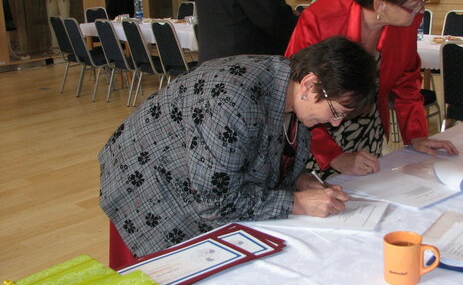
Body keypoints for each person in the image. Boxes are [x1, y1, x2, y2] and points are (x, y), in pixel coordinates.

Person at [99, 36, 377, 267]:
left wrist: (300, 179)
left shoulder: (290, 90)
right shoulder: (233, 101)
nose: (336, 123)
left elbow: (260, 153)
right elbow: (215, 203)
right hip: (150, 187)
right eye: (335, 112)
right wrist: (299, 202)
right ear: (309, 84)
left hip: (193, 183)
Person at [285, 0, 459, 179]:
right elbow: (295, 96)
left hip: (367, 129)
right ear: (380, 4)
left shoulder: (404, 21)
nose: (420, 11)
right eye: (413, 4)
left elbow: (406, 77)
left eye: (422, 1)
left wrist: (417, 135)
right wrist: (335, 156)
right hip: (316, 134)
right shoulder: (320, 20)